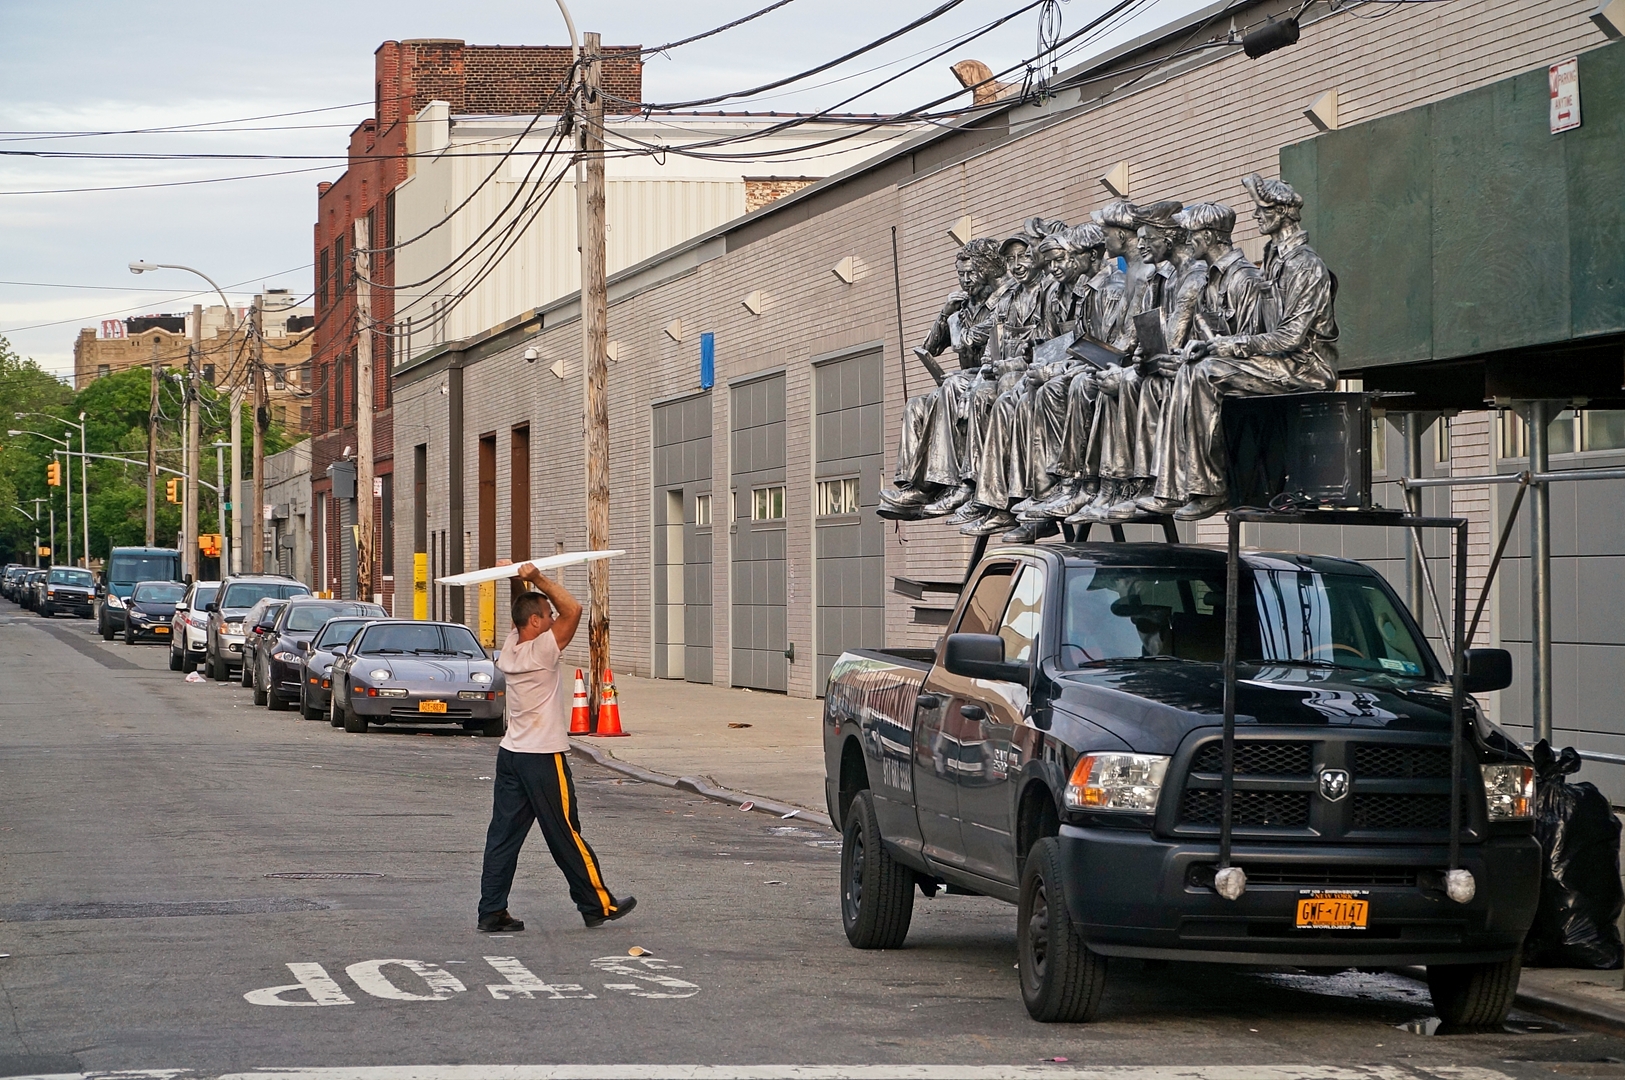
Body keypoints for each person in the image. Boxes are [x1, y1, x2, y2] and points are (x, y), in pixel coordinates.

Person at [477, 562, 636, 932]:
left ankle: (491, 911)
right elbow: (574, 609)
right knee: (565, 833)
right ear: (535, 622)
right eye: (546, 616)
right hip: (542, 758)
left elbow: (522, 611)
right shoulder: (542, 650)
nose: (552, 619)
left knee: (502, 835)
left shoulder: (511, 647)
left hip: (512, 755)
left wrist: (517, 579)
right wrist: (536, 578)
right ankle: (598, 905)